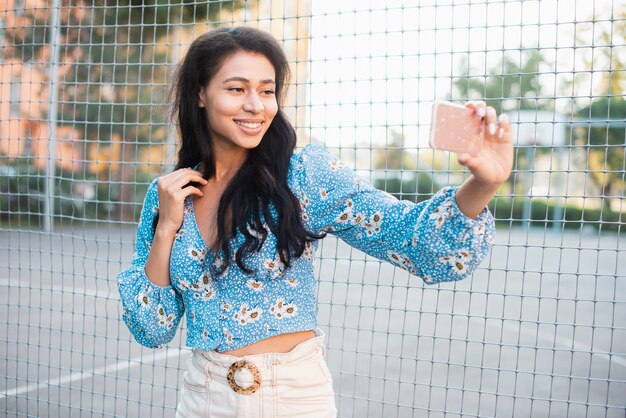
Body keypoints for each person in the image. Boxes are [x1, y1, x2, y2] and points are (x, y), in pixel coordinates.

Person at [116, 26, 513, 418]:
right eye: (237, 89)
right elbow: (152, 327)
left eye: (267, 90)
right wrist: (166, 227)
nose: (256, 105)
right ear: (201, 94)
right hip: (202, 396)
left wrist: (484, 183)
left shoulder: (304, 176)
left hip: (291, 397)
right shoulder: (169, 194)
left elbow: (414, 240)